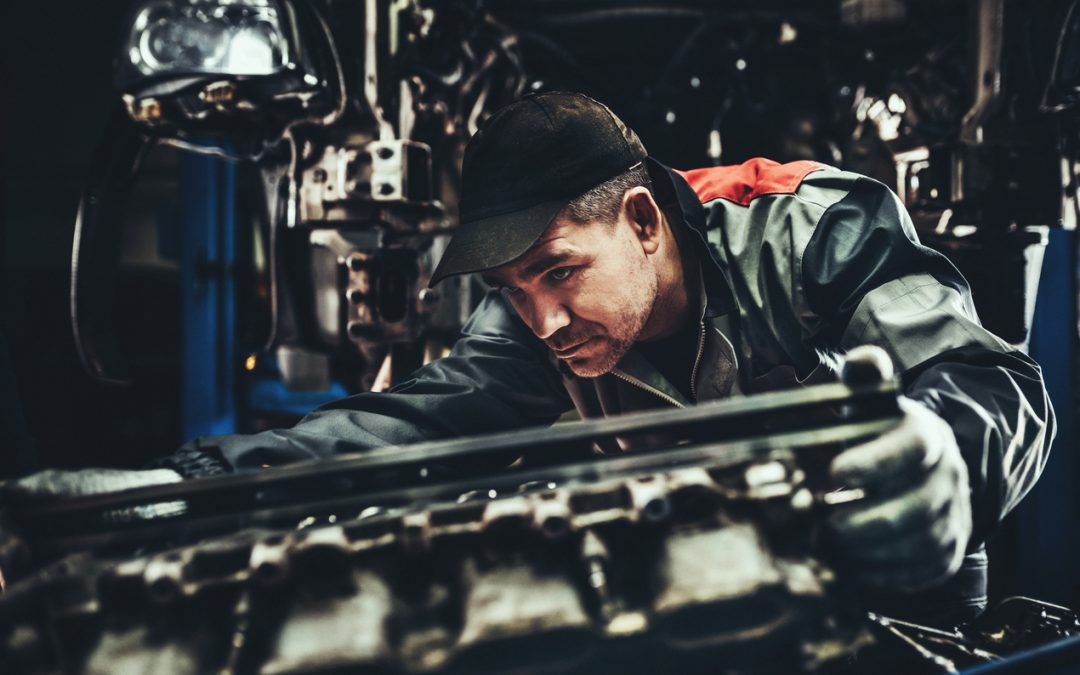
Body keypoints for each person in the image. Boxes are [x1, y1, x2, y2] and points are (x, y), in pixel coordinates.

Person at [10, 92, 1054, 627]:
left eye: (557, 272)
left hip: (898, 611)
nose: (542, 320)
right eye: (513, 291)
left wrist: (943, 454)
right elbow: (400, 427)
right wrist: (168, 495)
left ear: (643, 220)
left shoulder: (808, 229)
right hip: (721, 616)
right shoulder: (533, 325)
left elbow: (994, 384)